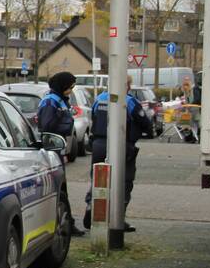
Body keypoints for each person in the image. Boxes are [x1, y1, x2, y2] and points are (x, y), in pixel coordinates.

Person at [83, 75, 153, 232]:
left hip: (99, 144)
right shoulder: (128, 101)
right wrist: (148, 132)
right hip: (122, 145)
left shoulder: (99, 99)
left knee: (98, 178)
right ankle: (118, 218)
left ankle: (91, 206)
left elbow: (93, 119)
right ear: (127, 85)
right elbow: (145, 123)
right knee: (124, 181)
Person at [38, 72, 82, 236]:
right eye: (70, 87)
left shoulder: (60, 100)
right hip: (52, 152)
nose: (71, 90)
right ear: (62, 85)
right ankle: (65, 224)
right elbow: (47, 126)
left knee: (62, 190)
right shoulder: (51, 102)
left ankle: (67, 222)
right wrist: (63, 118)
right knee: (58, 190)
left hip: (59, 149)